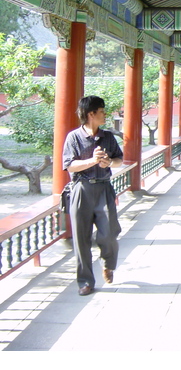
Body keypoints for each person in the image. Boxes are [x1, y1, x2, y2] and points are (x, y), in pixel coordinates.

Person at [62, 96, 123, 296]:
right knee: (82, 239)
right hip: (82, 189)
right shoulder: (73, 137)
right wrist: (92, 161)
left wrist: (108, 163)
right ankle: (85, 281)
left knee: (110, 233)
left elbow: (119, 159)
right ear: (91, 114)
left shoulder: (108, 136)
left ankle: (108, 263)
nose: (105, 114)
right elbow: (69, 165)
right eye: (102, 111)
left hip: (104, 188)